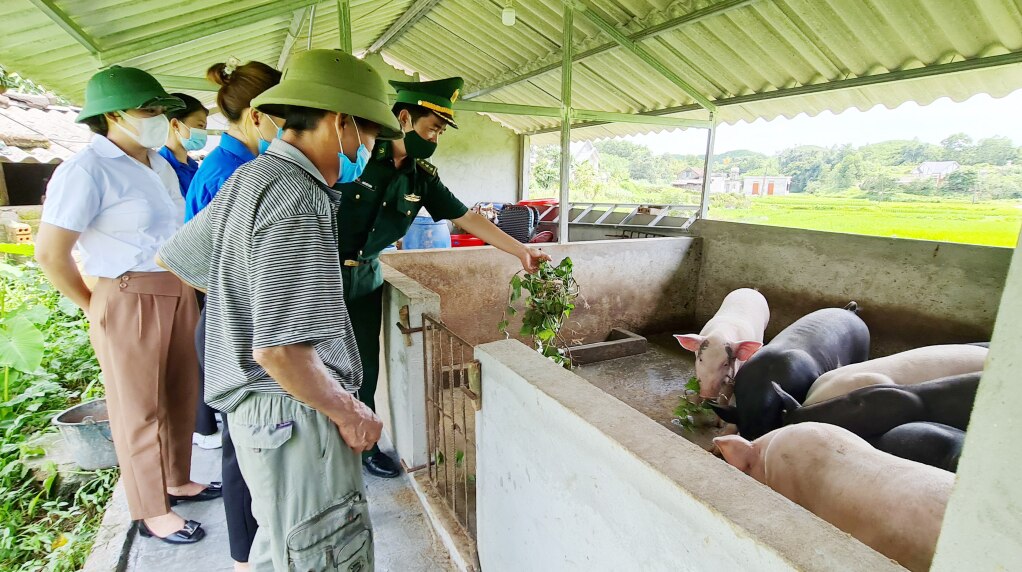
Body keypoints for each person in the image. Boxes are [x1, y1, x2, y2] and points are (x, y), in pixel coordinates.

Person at [157, 49, 401, 571]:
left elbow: (180, 258)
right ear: (340, 124)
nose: (371, 150)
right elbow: (282, 350)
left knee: (283, 546)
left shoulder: (249, 177)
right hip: (293, 412)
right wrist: (348, 410)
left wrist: (244, 304)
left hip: (260, 414)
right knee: (324, 553)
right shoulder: (297, 196)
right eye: (372, 135)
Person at [35, 66, 219, 545]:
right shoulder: (86, 169)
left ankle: (178, 479)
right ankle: (151, 509)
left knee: (181, 394)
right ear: (113, 114)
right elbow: (51, 254)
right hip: (127, 292)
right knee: (139, 408)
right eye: (149, 110)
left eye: (161, 110)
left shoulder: (157, 162)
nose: (159, 118)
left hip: (175, 286)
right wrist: (95, 305)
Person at [336, 77, 551, 478]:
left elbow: (467, 217)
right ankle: (320, 446)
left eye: (439, 130)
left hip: (365, 278)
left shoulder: (421, 177)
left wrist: (521, 251)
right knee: (311, 362)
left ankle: (363, 448)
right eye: (432, 127)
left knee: (363, 365)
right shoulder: (356, 153)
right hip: (319, 274)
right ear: (404, 118)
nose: (436, 137)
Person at [184, 58, 282, 572]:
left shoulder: (233, 163)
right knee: (244, 448)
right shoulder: (235, 173)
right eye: (287, 115)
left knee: (249, 442)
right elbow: (196, 261)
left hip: (229, 317)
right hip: (232, 323)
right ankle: (245, 558)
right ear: (258, 114)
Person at [159, 93, 208, 198]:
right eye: (200, 126)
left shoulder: (193, 166)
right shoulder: (160, 167)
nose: (203, 132)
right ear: (175, 125)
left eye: (204, 128)